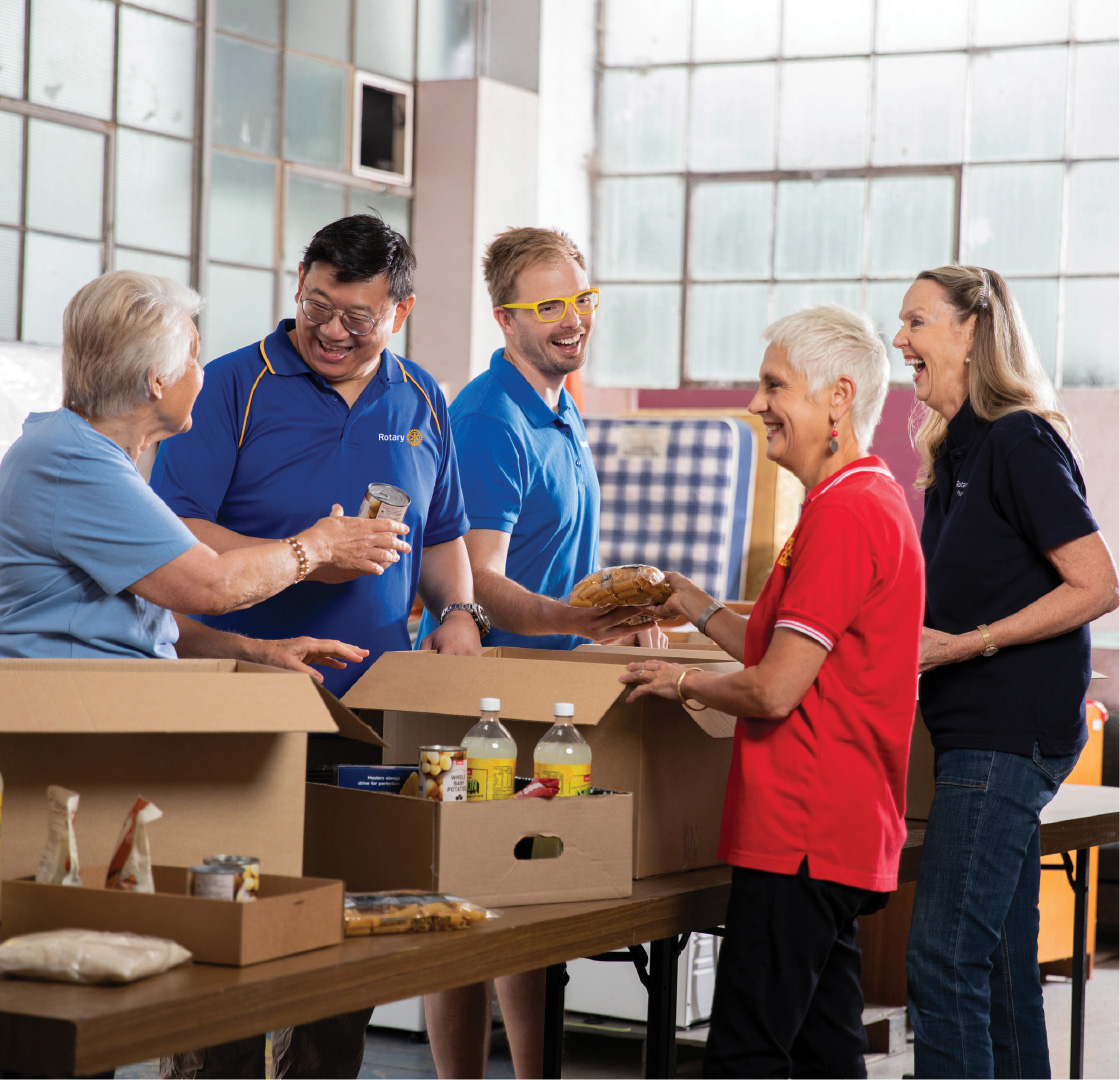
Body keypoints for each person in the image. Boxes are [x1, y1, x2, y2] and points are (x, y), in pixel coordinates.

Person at [150, 215, 482, 1078]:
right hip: (239, 699)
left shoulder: (423, 399)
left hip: (366, 721)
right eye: (316, 304)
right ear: (298, 280)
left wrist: (460, 613)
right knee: (230, 935)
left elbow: (444, 532)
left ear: (400, 313)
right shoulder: (230, 386)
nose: (331, 330)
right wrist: (311, 553)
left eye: (358, 317)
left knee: (347, 942)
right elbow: (177, 532)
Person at [620, 305, 925, 1079]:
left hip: (805, 833)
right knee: (825, 1050)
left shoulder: (849, 513)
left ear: (837, 397)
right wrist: (693, 603)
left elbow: (773, 691)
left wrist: (680, 681)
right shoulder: (846, 500)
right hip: (826, 835)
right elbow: (777, 648)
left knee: (745, 1054)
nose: (757, 404)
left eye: (773, 385)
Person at [416, 227, 662, 1078]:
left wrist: (612, 613)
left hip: (547, 694)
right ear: (504, 317)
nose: (572, 319)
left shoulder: (559, 406)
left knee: (529, 907)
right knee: (467, 908)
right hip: (485, 692)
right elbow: (478, 580)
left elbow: (554, 561)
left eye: (582, 300)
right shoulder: (490, 419)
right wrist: (578, 619)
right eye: (548, 304)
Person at [896, 265, 1118, 1079]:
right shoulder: (952, 455)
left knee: (942, 961)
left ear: (973, 332)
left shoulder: (1019, 439)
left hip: (1005, 735)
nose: (900, 341)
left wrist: (965, 644)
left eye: (917, 322)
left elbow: (1098, 584)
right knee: (995, 968)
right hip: (973, 735)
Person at [0, 269, 393, 676]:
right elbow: (211, 586)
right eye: (192, 357)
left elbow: (151, 622)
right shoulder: (75, 464)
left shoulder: (87, 457)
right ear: (156, 379)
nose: (200, 372)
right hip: (73, 710)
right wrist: (318, 546)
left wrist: (258, 652)